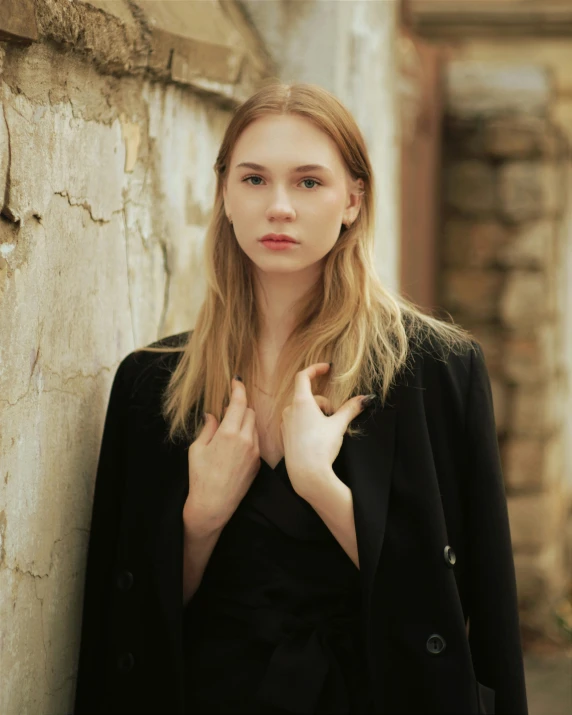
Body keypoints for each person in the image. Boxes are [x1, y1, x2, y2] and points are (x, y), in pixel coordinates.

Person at [73, 82, 528, 715]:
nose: (279, 206)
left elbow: (460, 614)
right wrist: (199, 522)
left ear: (353, 200)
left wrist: (322, 486)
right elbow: (121, 626)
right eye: (254, 179)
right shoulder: (151, 384)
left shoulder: (437, 370)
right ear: (225, 196)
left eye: (309, 182)